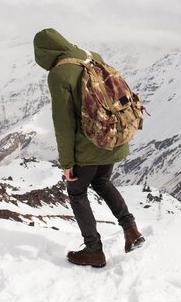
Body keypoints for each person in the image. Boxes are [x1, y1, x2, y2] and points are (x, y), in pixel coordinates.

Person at [33, 28, 145, 268]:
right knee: (102, 181)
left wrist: (67, 163)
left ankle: (94, 250)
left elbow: (64, 123)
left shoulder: (58, 73)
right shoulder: (91, 55)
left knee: (76, 192)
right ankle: (131, 230)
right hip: (113, 136)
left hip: (89, 145)